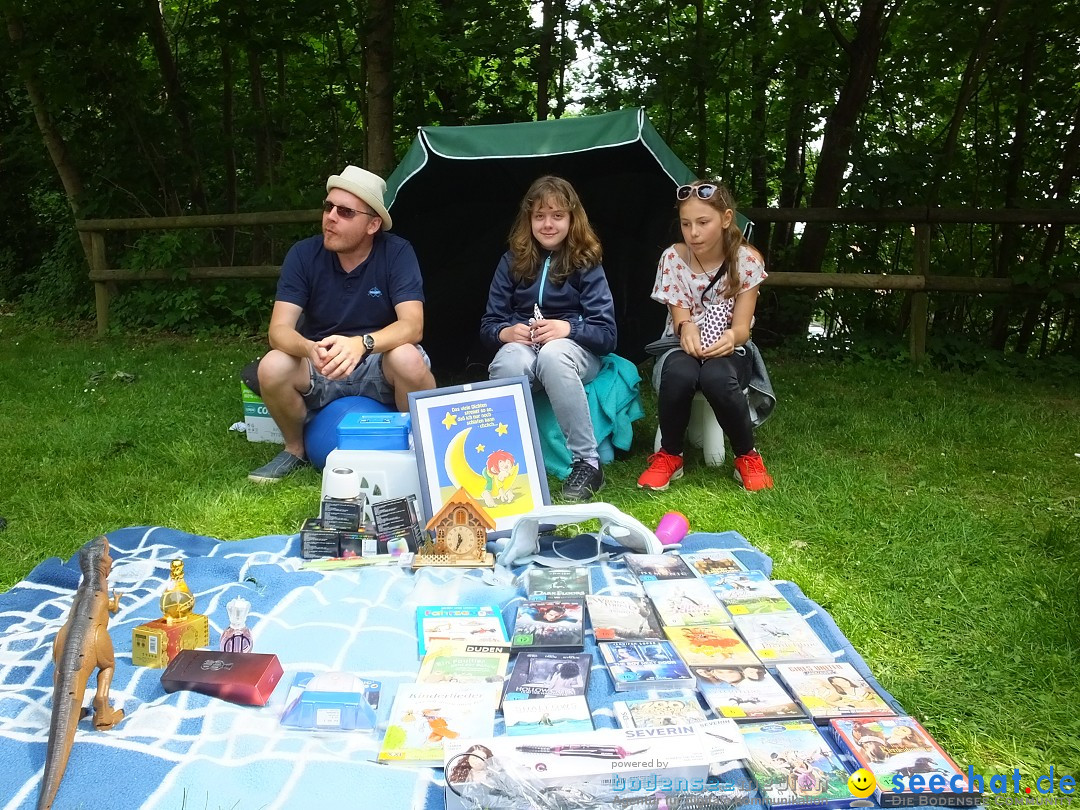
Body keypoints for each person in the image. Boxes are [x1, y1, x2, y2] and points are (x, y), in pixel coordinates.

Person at [249, 165, 436, 482]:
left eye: (345, 212)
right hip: (322, 359)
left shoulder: (397, 252)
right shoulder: (304, 254)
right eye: (328, 206)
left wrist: (361, 344)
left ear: (372, 224)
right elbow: (278, 330)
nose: (330, 217)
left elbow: (412, 325)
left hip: (377, 360)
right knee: (272, 365)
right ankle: (294, 449)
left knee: (408, 356)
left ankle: (419, 451)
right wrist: (308, 348)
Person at [480, 175, 616, 502]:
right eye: (539, 216)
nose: (548, 224)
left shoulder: (587, 261)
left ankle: (587, 462)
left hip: (576, 352)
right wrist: (506, 332)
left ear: (572, 218)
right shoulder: (512, 260)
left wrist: (567, 329)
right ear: (529, 220)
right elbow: (489, 324)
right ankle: (506, 463)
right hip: (527, 350)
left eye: (557, 216)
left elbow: (607, 334)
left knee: (554, 354)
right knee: (510, 359)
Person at [637, 180, 774, 492]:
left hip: (729, 347)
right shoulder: (673, 258)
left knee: (717, 377)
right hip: (680, 345)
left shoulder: (746, 260)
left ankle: (747, 456)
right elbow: (680, 319)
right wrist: (687, 329)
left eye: (703, 223)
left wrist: (731, 339)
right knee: (680, 373)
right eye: (686, 224)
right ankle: (670, 455)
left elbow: (742, 329)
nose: (693, 233)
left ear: (726, 219)